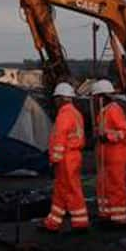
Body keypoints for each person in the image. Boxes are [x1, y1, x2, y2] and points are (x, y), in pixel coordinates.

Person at [39, 82, 89, 233]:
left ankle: (80, 223)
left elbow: (59, 139)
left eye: (56, 99)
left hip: (66, 159)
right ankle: (52, 223)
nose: (54, 102)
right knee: (61, 190)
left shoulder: (64, 115)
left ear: (60, 98)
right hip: (73, 156)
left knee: (72, 190)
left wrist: (54, 160)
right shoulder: (76, 113)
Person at [92, 79, 126, 228]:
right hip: (106, 156)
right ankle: (107, 214)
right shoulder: (104, 111)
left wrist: (107, 136)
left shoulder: (114, 110)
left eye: (96, 97)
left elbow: (124, 133)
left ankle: (119, 218)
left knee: (116, 186)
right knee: (105, 186)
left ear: (102, 97)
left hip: (116, 156)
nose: (94, 100)